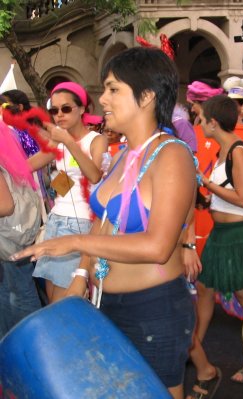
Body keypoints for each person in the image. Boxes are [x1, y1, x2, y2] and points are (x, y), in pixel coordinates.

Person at [13, 47, 197, 399]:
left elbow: (157, 247)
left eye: (113, 89)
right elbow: (104, 222)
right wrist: (81, 276)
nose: (103, 99)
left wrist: (74, 243)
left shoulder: (171, 155)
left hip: (154, 309)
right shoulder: (126, 152)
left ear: (146, 96)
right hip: (106, 302)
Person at [186, 95, 243, 398]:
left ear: (213, 122)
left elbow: (241, 197)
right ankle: (194, 345)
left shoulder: (238, 151)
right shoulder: (225, 150)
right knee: (205, 288)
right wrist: (209, 195)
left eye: (201, 118)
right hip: (222, 235)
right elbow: (228, 196)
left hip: (237, 236)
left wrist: (205, 184)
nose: (198, 123)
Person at [28, 81, 107, 303]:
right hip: (56, 221)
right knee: (52, 295)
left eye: (66, 108)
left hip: (80, 224)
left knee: (63, 303)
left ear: (82, 109)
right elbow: (27, 166)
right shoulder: (59, 142)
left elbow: (94, 176)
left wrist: (69, 142)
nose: (59, 115)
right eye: (54, 110)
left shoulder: (96, 140)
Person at [0, 118, 42, 338]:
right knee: (11, 293)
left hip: (9, 238)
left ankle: (33, 343)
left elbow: (5, 205)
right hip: (11, 236)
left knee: (20, 294)